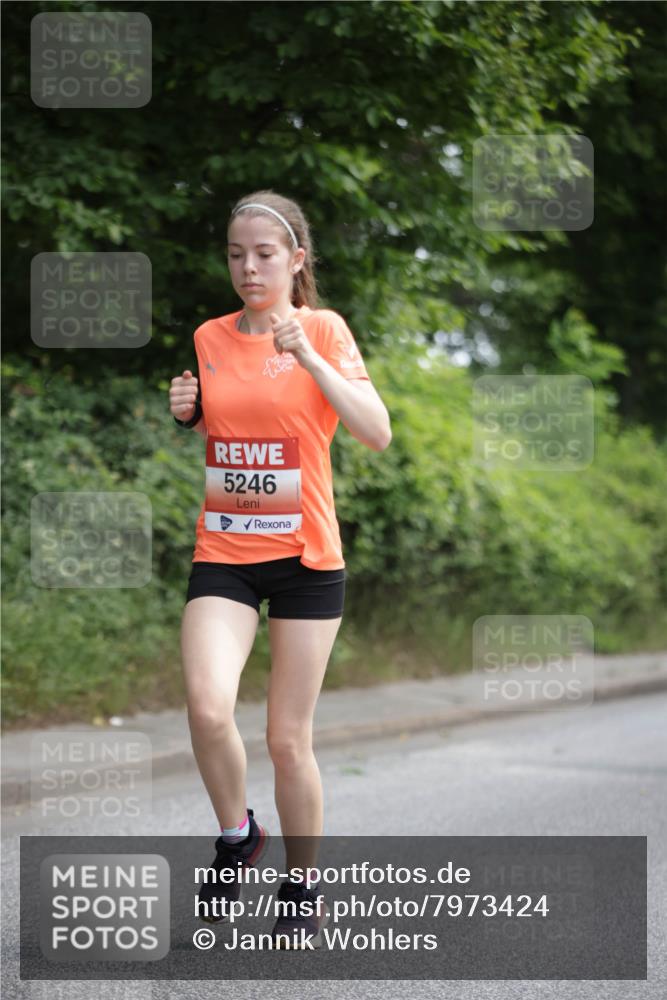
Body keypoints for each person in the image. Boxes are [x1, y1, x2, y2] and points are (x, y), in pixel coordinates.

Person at [169, 190, 392, 948]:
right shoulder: (207, 335)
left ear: (297, 260)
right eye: (235, 254)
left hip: (305, 560)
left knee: (286, 740)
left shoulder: (324, 330)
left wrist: (305, 357)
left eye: (264, 253)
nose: (247, 267)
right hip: (225, 553)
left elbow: (375, 432)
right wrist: (191, 411)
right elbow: (231, 423)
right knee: (205, 708)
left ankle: (302, 883)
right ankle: (237, 836)